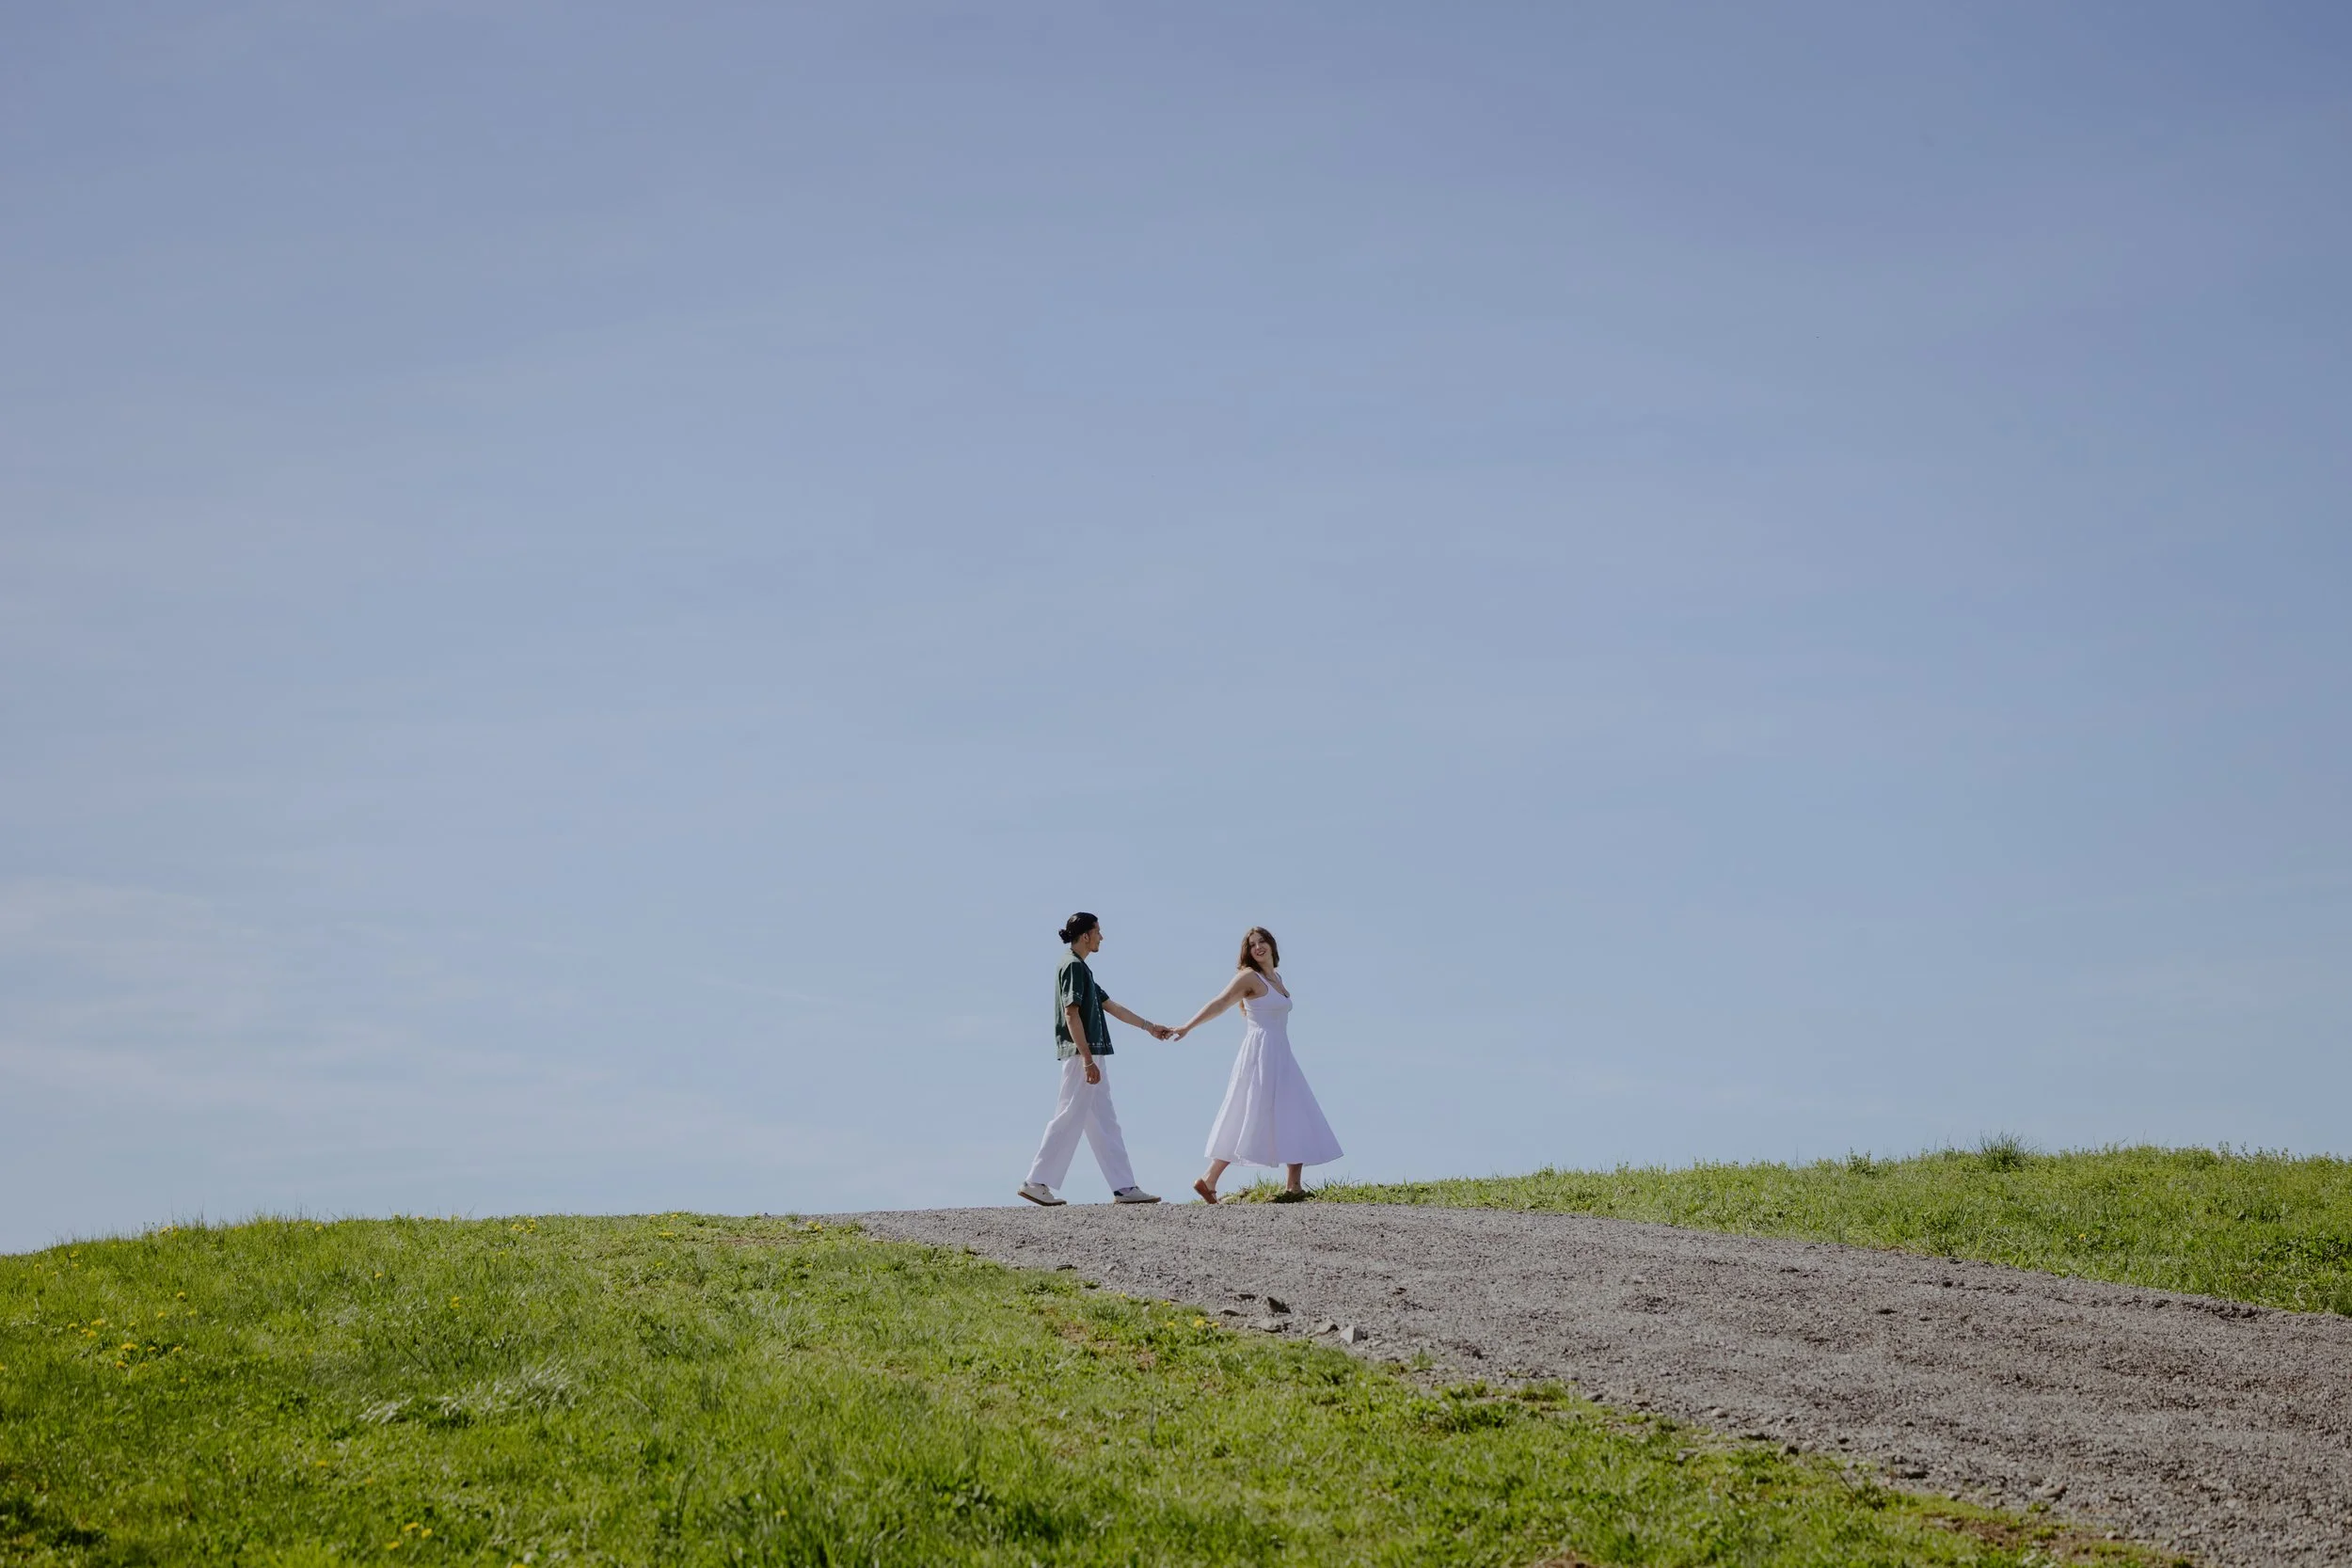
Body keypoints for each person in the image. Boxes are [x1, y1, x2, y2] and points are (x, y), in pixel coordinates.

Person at [1171, 926, 1342, 1203]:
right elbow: (1221, 1002)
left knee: (1294, 1110)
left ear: (1272, 945)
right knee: (1247, 1112)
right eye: (1252, 944)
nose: (1258, 947)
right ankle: (1210, 1178)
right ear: (1248, 952)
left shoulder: (1276, 978)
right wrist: (1188, 1026)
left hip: (1281, 1052)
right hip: (1260, 1052)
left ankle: (1293, 1186)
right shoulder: (1249, 977)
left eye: (1262, 941)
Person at [1018, 912, 1171, 1206]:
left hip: (1091, 1055)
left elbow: (1110, 1006)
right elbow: (1070, 1012)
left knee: (1104, 1123)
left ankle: (1124, 1187)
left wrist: (1149, 1027)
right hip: (1082, 1056)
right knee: (1068, 1116)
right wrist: (1087, 1059)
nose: (1102, 937)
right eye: (1098, 931)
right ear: (1085, 935)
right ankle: (1036, 1181)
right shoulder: (1072, 966)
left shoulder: (1082, 969)